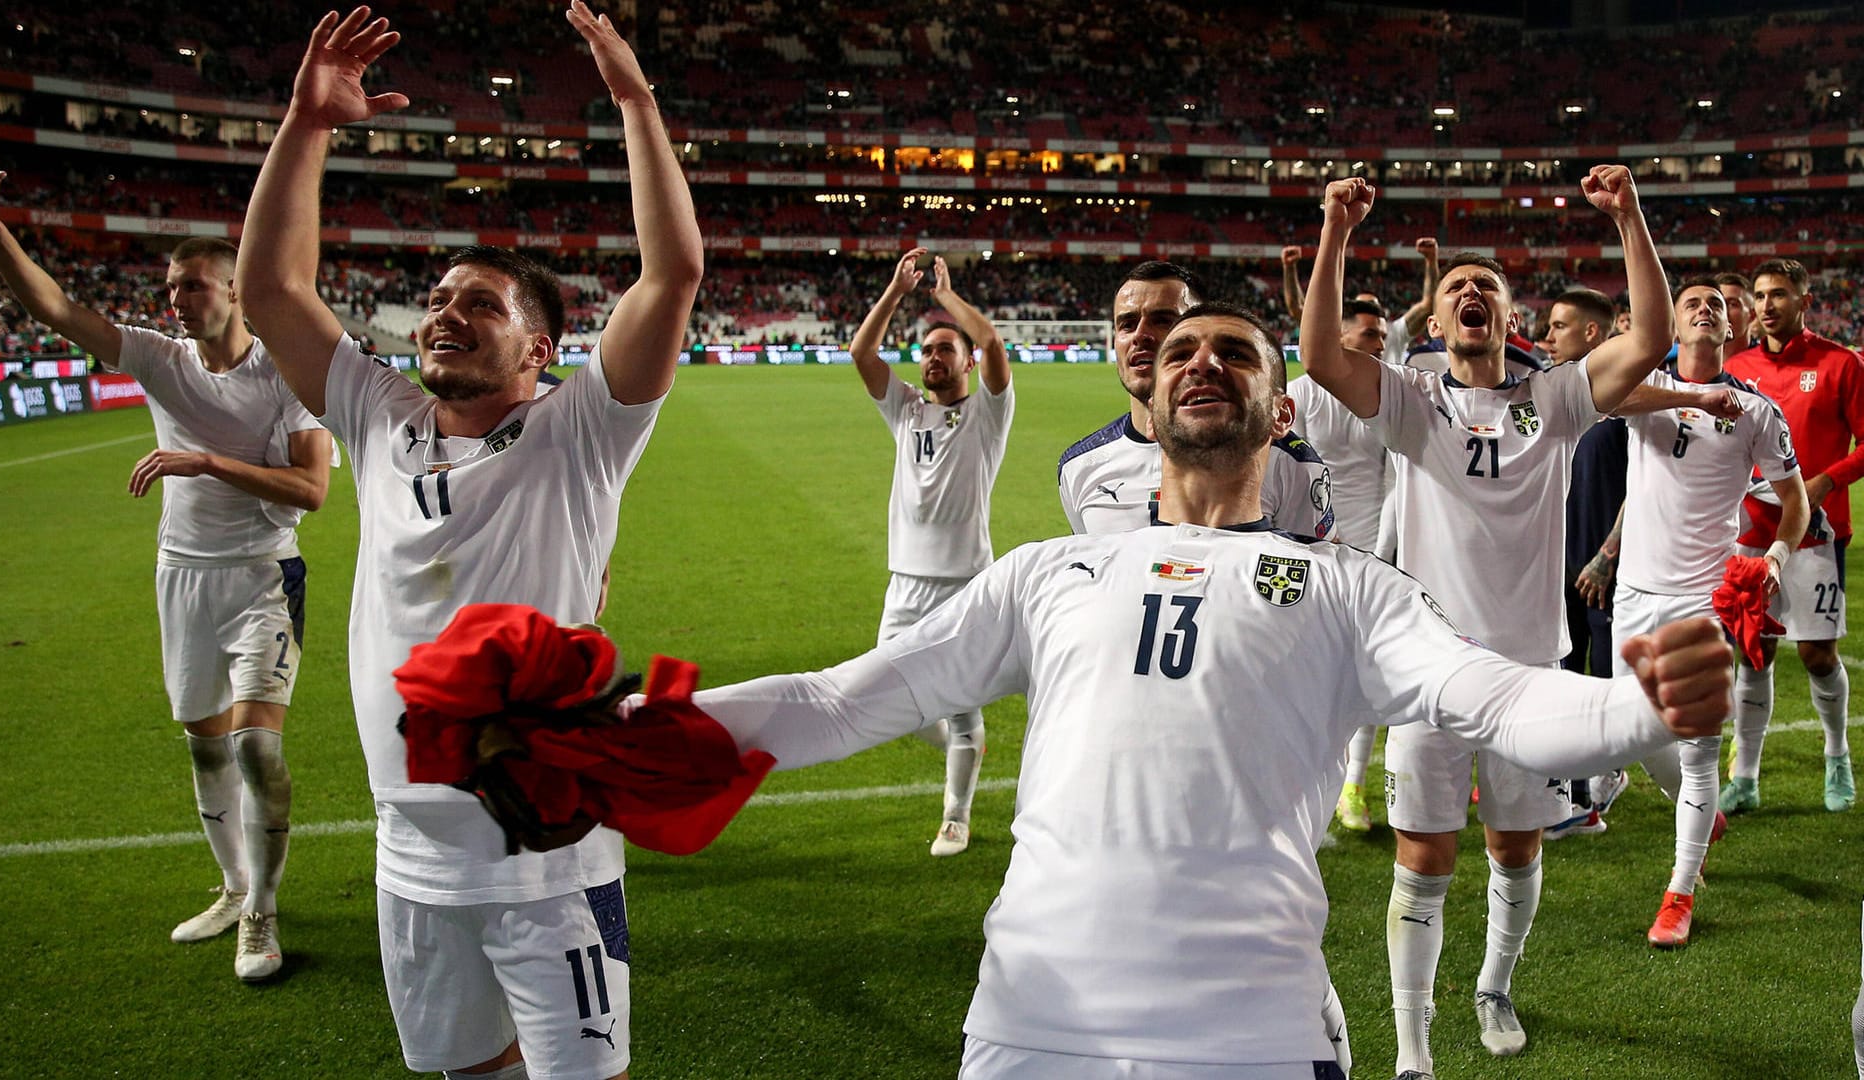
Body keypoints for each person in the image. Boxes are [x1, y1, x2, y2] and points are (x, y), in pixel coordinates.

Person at [694, 301, 1731, 1080]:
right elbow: (838, 703)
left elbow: (1498, 702)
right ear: (1141, 399)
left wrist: (1636, 706)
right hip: (1029, 1028)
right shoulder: (1045, 574)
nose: (1202, 362)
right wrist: (638, 725)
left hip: (1256, 1036)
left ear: (1281, 409)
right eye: (1181, 350)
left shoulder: (1348, 589)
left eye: (1235, 350)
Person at [234, 5, 700, 1077]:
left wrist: (634, 101)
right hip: (409, 862)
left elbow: (669, 277)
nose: (443, 314)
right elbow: (272, 291)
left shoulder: (579, 433)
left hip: (548, 862)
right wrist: (306, 124)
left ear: (540, 347)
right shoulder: (379, 418)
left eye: (478, 305)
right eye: (437, 300)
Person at [1299, 168, 1675, 1078]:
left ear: (1510, 320)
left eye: (1489, 288)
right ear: (1434, 325)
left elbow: (1650, 340)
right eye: (1456, 288)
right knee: (1422, 860)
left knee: (1512, 846)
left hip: (1527, 674)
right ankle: (1415, 1048)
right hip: (1426, 671)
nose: (1472, 293)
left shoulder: (1552, 401)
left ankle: (1493, 987)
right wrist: (1334, 233)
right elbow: (1317, 357)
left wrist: (1628, 218)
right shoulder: (1411, 402)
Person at [0, 179, 329, 982]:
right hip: (182, 578)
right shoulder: (156, 357)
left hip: (263, 576)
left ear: (234, 289)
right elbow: (56, 308)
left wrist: (205, 462)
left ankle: (261, 913)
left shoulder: (286, 376)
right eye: (168, 288)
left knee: (258, 745)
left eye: (192, 284)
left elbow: (313, 492)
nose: (177, 300)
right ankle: (231, 888)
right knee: (205, 745)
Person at [1597, 277, 1807, 946]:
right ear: (1674, 326)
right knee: (1630, 737)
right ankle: (1703, 814)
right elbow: (1604, 395)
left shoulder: (1758, 413)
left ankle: (1679, 893)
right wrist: (1694, 396)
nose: (1704, 308)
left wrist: (1775, 556)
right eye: (1692, 302)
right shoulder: (1647, 390)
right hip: (1635, 592)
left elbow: (1794, 504)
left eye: (1717, 304)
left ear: (1731, 328)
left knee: (1695, 752)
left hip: (1702, 596)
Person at [847, 247, 1012, 857]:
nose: (933, 357)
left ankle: (956, 816)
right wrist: (895, 289)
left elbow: (993, 346)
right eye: (927, 350)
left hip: (965, 582)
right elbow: (863, 354)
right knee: (891, 696)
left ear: (965, 361)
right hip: (905, 584)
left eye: (946, 348)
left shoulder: (988, 415)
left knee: (962, 706)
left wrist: (945, 298)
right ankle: (967, 749)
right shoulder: (907, 409)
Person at [1722, 257, 1864, 814]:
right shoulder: (1738, 365)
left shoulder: (1839, 364)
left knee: (1817, 654)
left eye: (1779, 293)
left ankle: (1837, 757)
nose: (1766, 304)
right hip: (1751, 533)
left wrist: (1828, 479)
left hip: (1817, 532)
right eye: (1759, 294)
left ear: (1805, 300)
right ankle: (1746, 777)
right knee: (1753, 652)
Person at [1058, 261, 1336, 544]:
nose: (1140, 335)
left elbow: (1314, 573)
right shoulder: (1079, 466)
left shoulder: (1288, 462)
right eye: (1127, 324)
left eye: (1163, 320)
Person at [1289, 298, 1400, 832]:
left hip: (1373, 552)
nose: (1382, 343)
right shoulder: (1301, 393)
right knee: (1305, 671)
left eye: (1383, 335)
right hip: (1311, 554)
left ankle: (1353, 785)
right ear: (1339, 334)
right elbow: (1285, 472)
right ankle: (1299, 781)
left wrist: (1388, 551)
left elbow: (1395, 479)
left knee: (1364, 671)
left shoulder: (1386, 392)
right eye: (1372, 334)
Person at [1546, 287, 1633, 837]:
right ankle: (1573, 792)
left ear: (1592, 334)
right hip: (1558, 566)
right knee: (1562, 679)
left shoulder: (1626, 397)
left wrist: (1608, 553)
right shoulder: (1550, 396)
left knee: (1605, 683)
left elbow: (1646, 484)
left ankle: (1606, 776)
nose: (1547, 337)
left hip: (1608, 567)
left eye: (1558, 326)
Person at [1283, 237, 1441, 367]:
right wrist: (1289, 268)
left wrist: (1431, 261)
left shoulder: (1395, 332)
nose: (1380, 344)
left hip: (1390, 402)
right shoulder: (1340, 333)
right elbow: (1298, 309)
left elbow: (1428, 305)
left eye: (1373, 309)